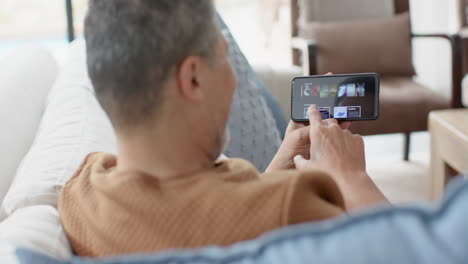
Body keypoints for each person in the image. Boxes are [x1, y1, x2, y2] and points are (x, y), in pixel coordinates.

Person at [58, 0, 387, 258]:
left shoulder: (80, 192)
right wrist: (349, 177)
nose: (232, 80)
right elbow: (410, 252)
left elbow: (230, 216)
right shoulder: (294, 209)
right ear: (193, 78)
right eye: (225, 59)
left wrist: (281, 164)